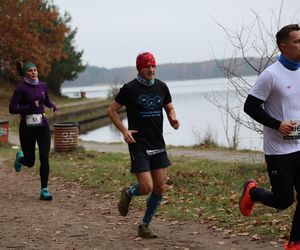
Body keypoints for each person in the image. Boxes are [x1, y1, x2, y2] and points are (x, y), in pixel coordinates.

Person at [107, 52, 180, 238]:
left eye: (153, 65)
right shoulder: (129, 88)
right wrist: (124, 131)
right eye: (147, 66)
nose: (151, 69)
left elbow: (169, 106)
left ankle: (144, 225)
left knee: (159, 187)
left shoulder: (162, 87)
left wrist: (172, 117)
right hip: (138, 143)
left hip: (157, 143)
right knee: (146, 187)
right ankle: (129, 192)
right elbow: (112, 110)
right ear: (139, 67)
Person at [240, 24, 300, 250]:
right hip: (279, 151)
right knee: (284, 200)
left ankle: (295, 242)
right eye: (298, 42)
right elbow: (251, 107)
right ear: (283, 47)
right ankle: (252, 191)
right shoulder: (271, 75)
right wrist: (277, 125)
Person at [9, 61, 58, 200]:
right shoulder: (20, 88)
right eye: (30, 70)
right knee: (30, 161)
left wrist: (52, 105)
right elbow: (12, 109)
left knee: (44, 157)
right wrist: (29, 106)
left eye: (35, 70)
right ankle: (20, 158)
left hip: (42, 126)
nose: (34, 72)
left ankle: (44, 190)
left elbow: (46, 101)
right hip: (27, 127)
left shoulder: (43, 86)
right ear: (26, 73)